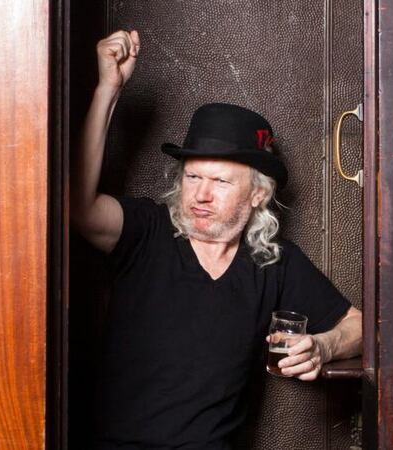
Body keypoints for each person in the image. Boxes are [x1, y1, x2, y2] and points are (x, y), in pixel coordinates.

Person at [72, 29, 363, 450]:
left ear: (258, 194)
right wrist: (108, 89)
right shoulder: (147, 230)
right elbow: (79, 208)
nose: (200, 194)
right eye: (193, 177)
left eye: (221, 181)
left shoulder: (273, 263)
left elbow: (361, 326)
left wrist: (324, 345)